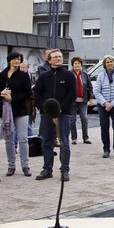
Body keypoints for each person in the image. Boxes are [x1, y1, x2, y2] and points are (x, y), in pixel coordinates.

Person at [34, 49, 76, 181]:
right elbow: (37, 94)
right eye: (55, 57)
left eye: (60, 57)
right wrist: (45, 108)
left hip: (64, 114)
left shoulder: (69, 75)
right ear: (49, 60)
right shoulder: (44, 76)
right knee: (47, 142)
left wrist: (60, 109)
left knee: (64, 142)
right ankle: (47, 169)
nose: (58, 59)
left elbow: (72, 94)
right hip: (47, 114)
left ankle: (65, 169)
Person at [0, 51, 31, 177]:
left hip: (21, 109)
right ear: (9, 60)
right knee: (8, 139)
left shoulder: (23, 75)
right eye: (14, 59)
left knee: (23, 138)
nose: (16, 61)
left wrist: (12, 97)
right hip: (6, 111)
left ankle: (25, 165)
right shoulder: (2, 75)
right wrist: (2, 93)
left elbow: (27, 93)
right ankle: (11, 166)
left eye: (18, 59)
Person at [94, 55, 114, 158]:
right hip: (103, 105)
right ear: (104, 64)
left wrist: (112, 104)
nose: (109, 63)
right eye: (107, 62)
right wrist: (105, 103)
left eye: (111, 61)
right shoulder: (100, 76)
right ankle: (106, 149)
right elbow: (97, 91)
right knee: (104, 127)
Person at [69, 57, 93, 145]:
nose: (77, 65)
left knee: (84, 118)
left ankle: (85, 137)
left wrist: (91, 98)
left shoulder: (85, 75)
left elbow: (90, 87)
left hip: (83, 100)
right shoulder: (69, 74)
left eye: (79, 63)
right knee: (72, 119)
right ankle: (74, 138)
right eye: (75, 63)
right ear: (72, 65)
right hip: (72, 101)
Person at [20, 60, 36, 137]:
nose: (22, 69)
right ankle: (15, 145)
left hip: (29, 105)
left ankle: (30, 145)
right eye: (21, 67)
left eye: (24, 67)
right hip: (19, 105)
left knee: (29, 125)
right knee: (16, 128)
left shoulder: (32, 78)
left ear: (28, 67)